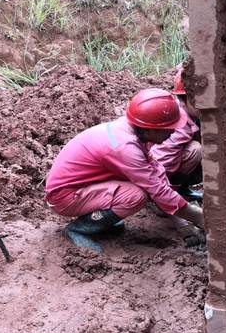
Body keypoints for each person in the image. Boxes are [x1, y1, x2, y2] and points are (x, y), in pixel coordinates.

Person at [44, 88, 204, 253]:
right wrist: (199, 218)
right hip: (64, 197)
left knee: (142, 187)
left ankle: (102, 219)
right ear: (149, 129)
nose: (172, 133)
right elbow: (155, 188)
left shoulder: (131, 130)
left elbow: (157, 173)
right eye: (168, 129)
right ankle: (79, 229)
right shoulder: (125, 148)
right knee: (136, 196)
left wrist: (183, 221)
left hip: (83, 185)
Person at [149, 66, 202, 200]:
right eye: (198, 101)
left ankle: (182, 189)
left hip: (170, 163)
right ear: (184, 98)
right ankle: (165, 196)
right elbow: (161, 162)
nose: (204, 105)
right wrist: (164, 196)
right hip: (157, 174)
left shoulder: (194, 115)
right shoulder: (179, 124)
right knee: (196, 150)